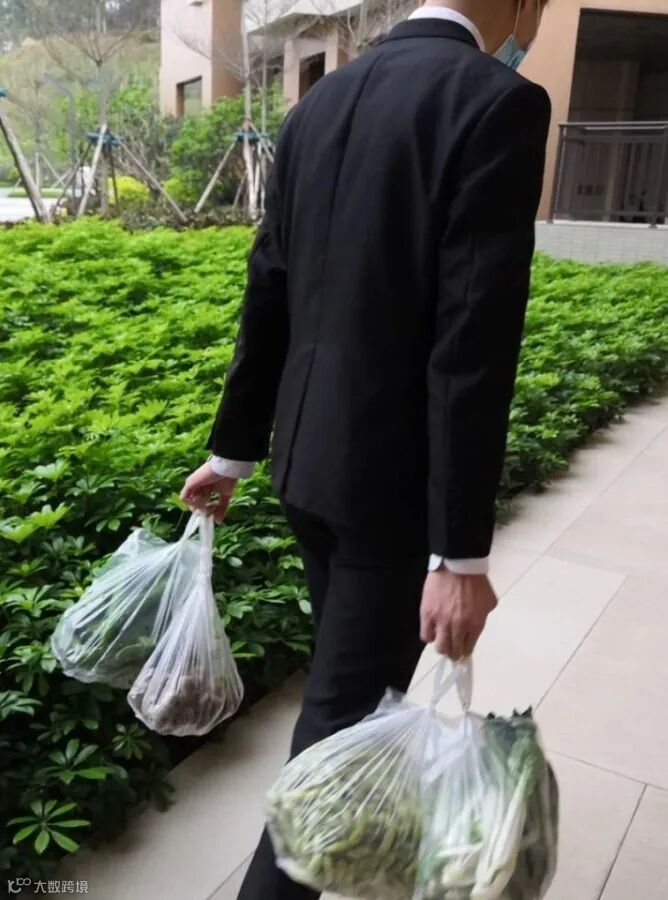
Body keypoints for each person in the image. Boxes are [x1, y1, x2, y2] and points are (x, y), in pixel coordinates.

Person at [181, 1, 551, 897]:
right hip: (389, 495)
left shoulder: (320, 101)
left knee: (346, 699)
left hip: (303, 469)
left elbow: (268, 287)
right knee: (338, 732)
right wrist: (458, 557)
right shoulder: (497, 99)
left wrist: (232, 453)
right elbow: (471, 341)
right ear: (525, 5)